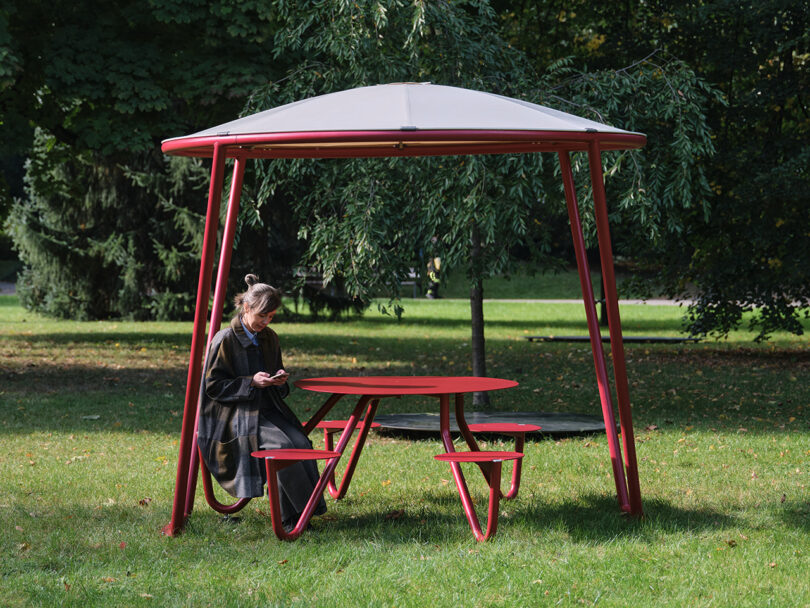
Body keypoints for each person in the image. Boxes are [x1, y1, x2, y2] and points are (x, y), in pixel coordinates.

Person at [197, 274, 326, 531]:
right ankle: (293, 519)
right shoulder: (224, 340)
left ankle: (303, 513)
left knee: (301, 443)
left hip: (268, 409)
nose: (265, 321)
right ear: (246, 308)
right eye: (261, 316)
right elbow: (212, 386)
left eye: (271, 316)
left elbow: (275, 369)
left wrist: (279, 379)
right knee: (283, 446)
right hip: (234, 416)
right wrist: (251, 382)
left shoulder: (270, 337)